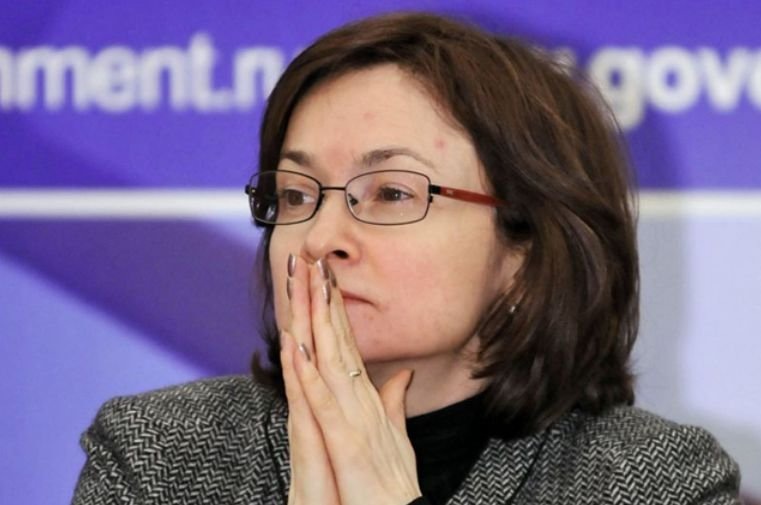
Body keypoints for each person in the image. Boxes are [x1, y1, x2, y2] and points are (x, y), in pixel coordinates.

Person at [71, 12, 741, 505]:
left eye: (391, 192)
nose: (320, 237)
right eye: (297, 194)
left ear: (525, 253)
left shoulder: (655, 481)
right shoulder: (158, 457)